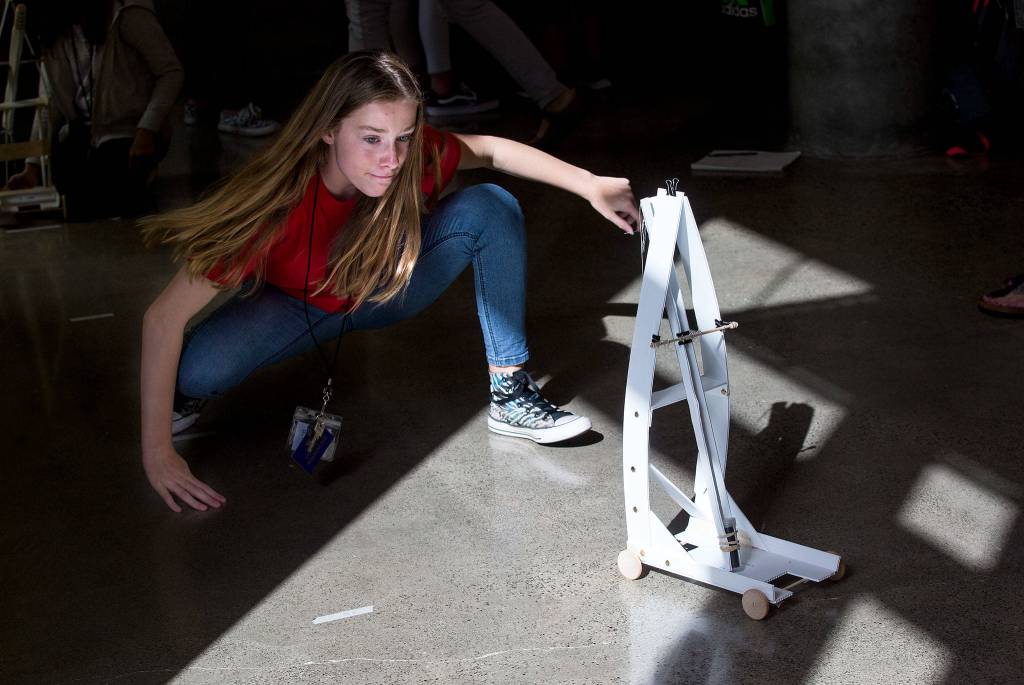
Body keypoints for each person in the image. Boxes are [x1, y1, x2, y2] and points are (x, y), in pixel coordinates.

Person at [139, 51, 637, 513]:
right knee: (197, 372)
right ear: (329, 130)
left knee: (489, 205)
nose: (392, 158)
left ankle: (510, 395)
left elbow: (486, 152)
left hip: (383, 291)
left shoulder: (406, 159)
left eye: (403, 136)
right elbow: (162, 319)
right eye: (372, 137)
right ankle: (190, 393)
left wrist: (589, 183)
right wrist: (158, 453)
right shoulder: (271, 207)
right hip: (298, 309)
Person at [6, 0, 183, 220]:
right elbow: (49, 102)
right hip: (85, 133)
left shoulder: (126, 14)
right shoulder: (55, 29)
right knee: (65, 192)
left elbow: (171, 72)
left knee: (91, 199)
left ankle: (138, 177)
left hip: (130, 131)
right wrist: (32, 168)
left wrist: (146, 130)